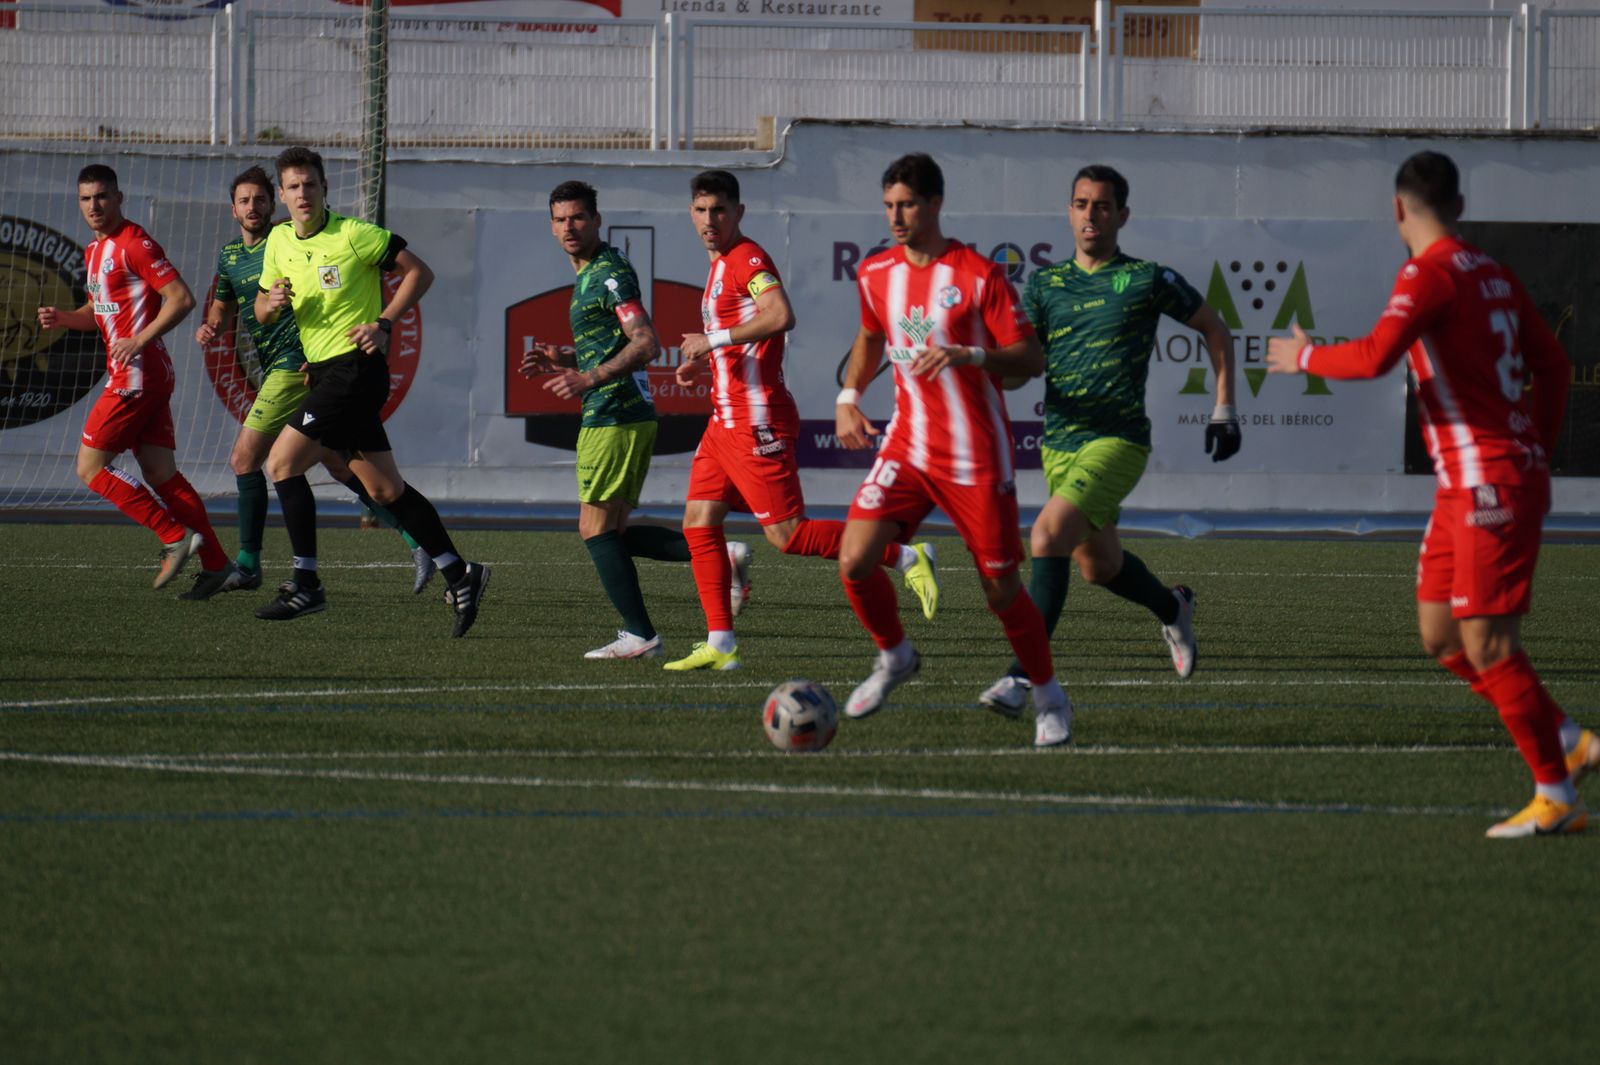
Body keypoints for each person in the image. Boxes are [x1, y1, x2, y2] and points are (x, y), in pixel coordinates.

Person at [1265, 150, 1598, 838]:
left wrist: (1304, 357)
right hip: (1469, 482)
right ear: (1461, 207)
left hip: (1487, 480)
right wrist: (1536, 447)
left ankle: (1556, 793)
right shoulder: (1494, 272)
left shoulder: (1429, 273)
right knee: (1441, 633)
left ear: (1397, 208)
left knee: (1488, 642)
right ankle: (1567, 739)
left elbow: (1374, 356)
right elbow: (1554, 363)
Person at [977, 165, 1242, 717]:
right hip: (1060, 443)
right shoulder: (1045, 285)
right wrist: (977, 366)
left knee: (1047, 534)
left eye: (1101, 205)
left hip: (1119, 440)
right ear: (1068, 212)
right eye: (1081, 204)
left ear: (1122, 214)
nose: (1090, 215)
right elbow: (1024, 369)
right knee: (1098, 566)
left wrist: (1224, 408)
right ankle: (1172, 607)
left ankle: (1020, 676)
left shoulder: (1147, 278)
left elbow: (1215, 329)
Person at [834, 153, 1072, 747]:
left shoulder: (978, 275)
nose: (896, 217)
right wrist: (848, 396)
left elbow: (1031, 357)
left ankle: (1048, 695)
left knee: (1001, 591)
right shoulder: (876, 272)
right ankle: (895, 655)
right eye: (889, 206)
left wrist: (972, 355)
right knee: (855, 558)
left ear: (935, 204)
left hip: (975, 457)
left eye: (907, 205)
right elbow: (869, 336)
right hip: (908, 447)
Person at [665, 169, 939, 672]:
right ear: (691, 213)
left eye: (719, 210)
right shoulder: (720, 263)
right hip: (724, 420)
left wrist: (712, 341)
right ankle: (721, 643)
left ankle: (905, 556)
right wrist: (705, 361)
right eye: (701, 210)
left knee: (788, 535)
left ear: (738, 213)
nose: (709, 220)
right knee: (699, 524)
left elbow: (780, 315)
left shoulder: (747, 258)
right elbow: (745, 338)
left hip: (754, 419)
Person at [252, 146, 488, 635]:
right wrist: (270, 303)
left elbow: (420, 272)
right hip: (324, 373)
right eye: (293, 187)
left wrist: (383, 323)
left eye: (310, 184)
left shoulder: (354, 234)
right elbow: (260, 310)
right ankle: (460, 572)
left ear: (324, 188)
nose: (303, 194)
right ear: (282, 195)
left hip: (355, 370)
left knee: (281, 464)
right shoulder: (277, 240)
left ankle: (306, 584)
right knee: (383, 489)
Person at [194, 165, 433, 598]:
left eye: (260, 199)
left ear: (275, 203)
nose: (253, 207)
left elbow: (391, 276)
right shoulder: (230, 256)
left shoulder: (287, 240)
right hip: (282, 365)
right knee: (341, 464)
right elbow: (226, 307)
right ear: (233, 210)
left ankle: (250, 565)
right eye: (244, 201)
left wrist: (328, 349)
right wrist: (211, 325)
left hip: (297, 365)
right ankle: (420, 540)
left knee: (246, 459)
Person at [519, 180, 694, 660]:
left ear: (597, 220)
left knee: (594, 529)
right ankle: (717, 555)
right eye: (560, 219)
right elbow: (615, 344)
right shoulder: (593, 273)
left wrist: (588, 377)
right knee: (610, 532)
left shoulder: (609, 273)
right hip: (625, 412)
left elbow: (646, 343)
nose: (569, 227)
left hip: (614, 413)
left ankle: (641, 635)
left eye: (578, 217)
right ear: (551, 227)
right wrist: (565, 359)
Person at [38, 164, 229, 592]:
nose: (94, 205)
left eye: (102, 196)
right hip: (145, 373)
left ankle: (174, 536)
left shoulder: (134, 244)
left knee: (90, 467)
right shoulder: (94, 251)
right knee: (161, 473)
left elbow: (181, 299)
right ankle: (218, 565)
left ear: (119, 198)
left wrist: (139, 339)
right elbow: (99, 312)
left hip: (136, 375)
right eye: (86, 198)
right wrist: (64, 318)